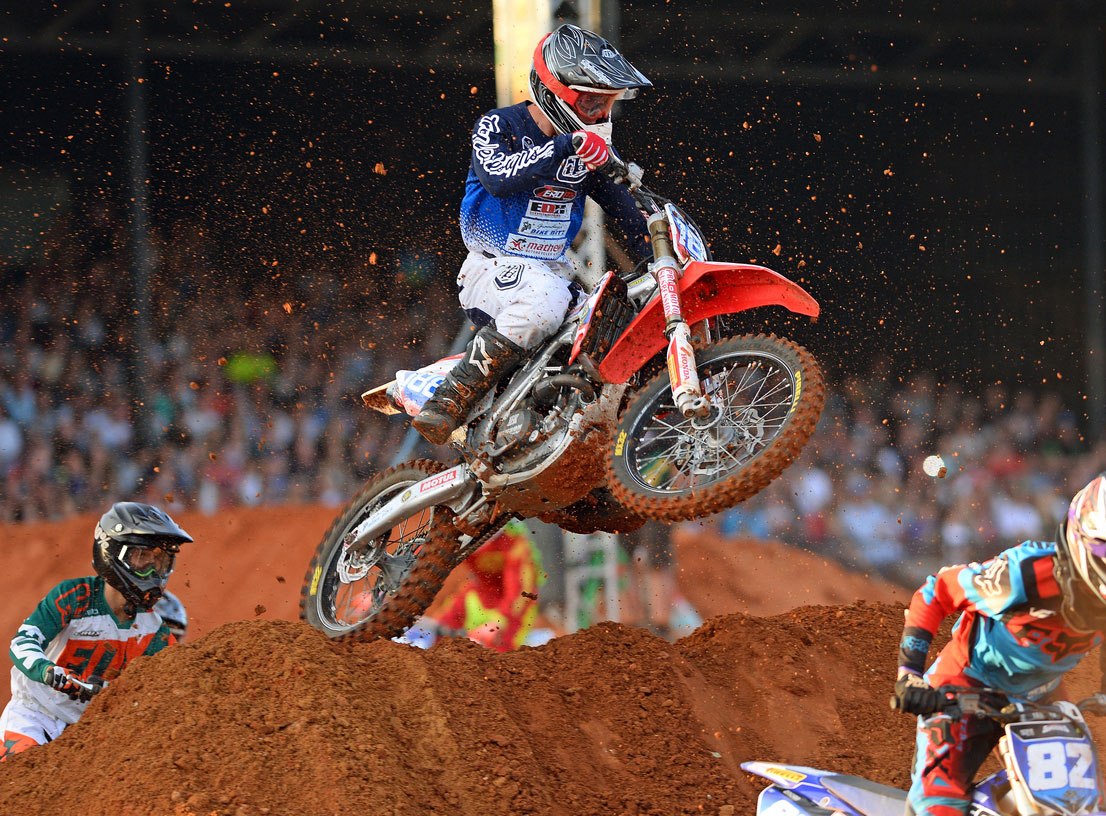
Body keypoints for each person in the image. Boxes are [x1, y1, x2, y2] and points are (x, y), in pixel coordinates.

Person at [412, 23, 653, 444]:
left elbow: (630, 211)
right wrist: (565, 147)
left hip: (553, 273)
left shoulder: (591, 152)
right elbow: (499, 176)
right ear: (555, 92)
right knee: (546, 298)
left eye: (608, 103)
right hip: (491, 269)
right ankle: (450, 399)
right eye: (593, 101)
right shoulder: (498, 125)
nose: (601, 114)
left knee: (615, 324)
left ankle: (579, 441)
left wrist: (662, 244)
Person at [891, 475, 1106, 816]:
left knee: (1079, 803)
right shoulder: (1025, 576)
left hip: (1042, 698)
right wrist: (909, 674)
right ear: (1086, 539)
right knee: (939, 801)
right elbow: (937, 591)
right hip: (965, 688)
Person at [0, 502, 192, 760]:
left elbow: (171, 685)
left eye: (161, 561)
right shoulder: (76, 596)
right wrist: (48, 671)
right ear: (112, 552)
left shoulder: (154, 630)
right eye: (143, 557)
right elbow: (22, 642)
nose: (153, 571)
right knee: (21, 775)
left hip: (92, 731)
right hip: (36, 715)